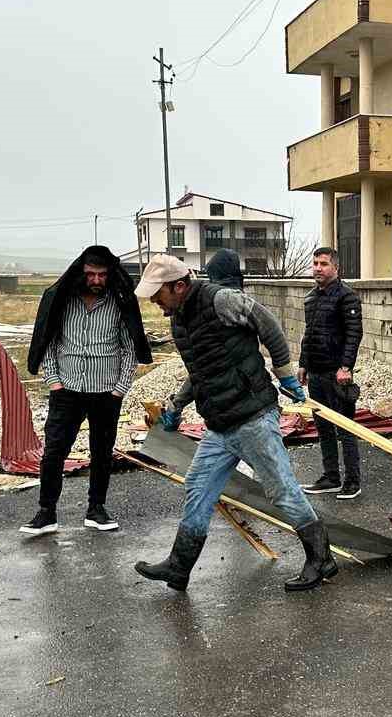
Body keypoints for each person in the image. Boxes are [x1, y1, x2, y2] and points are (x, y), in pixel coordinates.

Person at [132, 253, 339, 593]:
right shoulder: (179, 319)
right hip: (220, 425)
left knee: (281, 491)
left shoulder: (220, 300)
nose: (154, 300)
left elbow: (268, 324)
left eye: (159, 293)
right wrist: (178, 403)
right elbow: (202, 370)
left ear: (179, 285)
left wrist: (284, 372)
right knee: (197, 489)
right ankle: (179, 566)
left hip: (252, 416)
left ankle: (320, 558)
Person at [20, 245, 152, 536]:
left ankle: (96, 510)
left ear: (109, 275)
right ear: (81, 273)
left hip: (106, 393)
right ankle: (46, 513)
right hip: (66, 390)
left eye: (101, 275)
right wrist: (53, 380)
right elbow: (50, 343)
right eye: (90, 274)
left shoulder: (119, 303)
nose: (95, 280)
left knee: (102, 453)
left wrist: (120, 388)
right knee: (54, 452)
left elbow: (129, 349)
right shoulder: (63, 301)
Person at [299, 246, 364, 499]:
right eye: (315, 263)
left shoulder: (347, 297)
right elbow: (308, 334)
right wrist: (303, 363)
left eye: (323, 264)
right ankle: (331, 477)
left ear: (336, 268)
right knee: (323, 428)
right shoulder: (311, 298)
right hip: (316, 373)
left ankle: (352, 481)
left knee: (345, 429)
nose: (317, 268)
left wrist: (346, 367)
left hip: (337, 375)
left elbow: (354, 334)